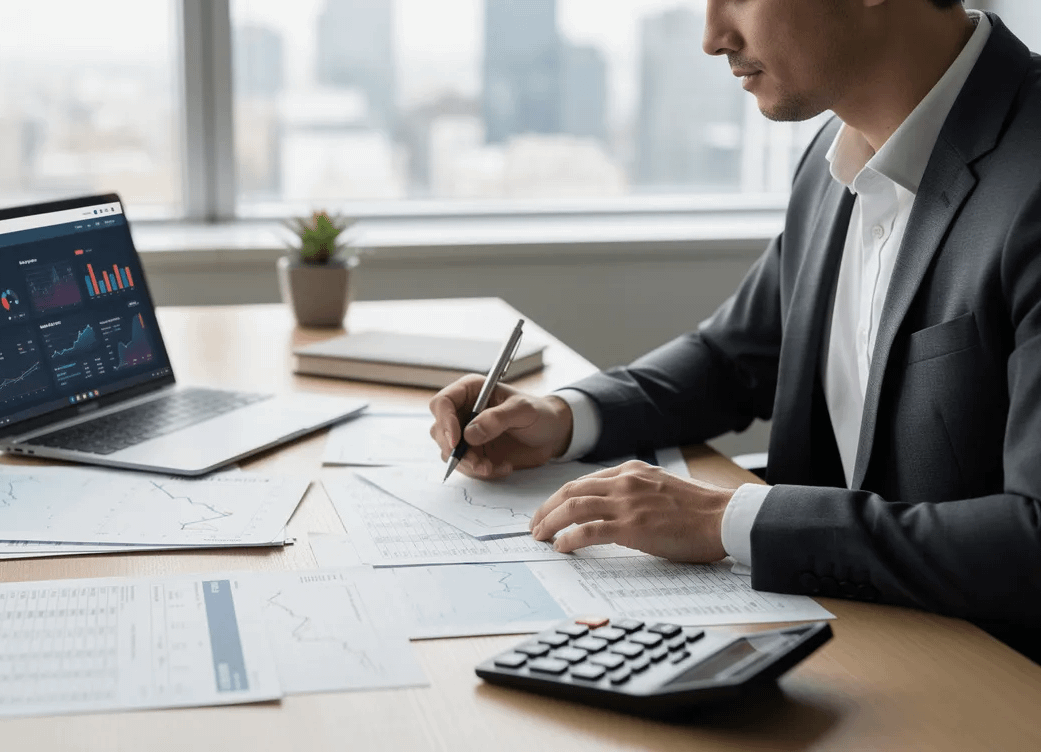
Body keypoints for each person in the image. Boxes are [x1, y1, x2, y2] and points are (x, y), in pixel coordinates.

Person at [428, 0, 1041, 661]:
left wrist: (727, 520)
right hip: (858, 647)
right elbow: (734, 357)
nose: (713, 38)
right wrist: (562, 417)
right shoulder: (835, 159)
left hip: (989, 681)